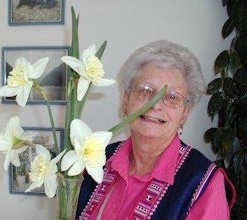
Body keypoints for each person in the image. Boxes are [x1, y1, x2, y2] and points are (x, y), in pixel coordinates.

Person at [76, 40, 235, 219]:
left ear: (184, 114)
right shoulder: (97, 160)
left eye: (173, 97)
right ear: (126, 100)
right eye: (145, 90)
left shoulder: (202, 182)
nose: (155, 105)